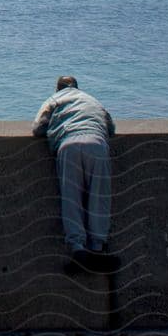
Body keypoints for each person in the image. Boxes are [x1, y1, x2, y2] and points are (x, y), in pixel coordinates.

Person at [32, 75, 117, 272]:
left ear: (57, 88)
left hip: (69, 145)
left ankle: (78, 249)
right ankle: (98, 247)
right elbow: (111, 128)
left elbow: (37, 129)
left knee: (71, 198)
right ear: (78, 87)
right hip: (97, 144)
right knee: (99, 196)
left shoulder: (54, 100)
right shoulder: (93, 100)